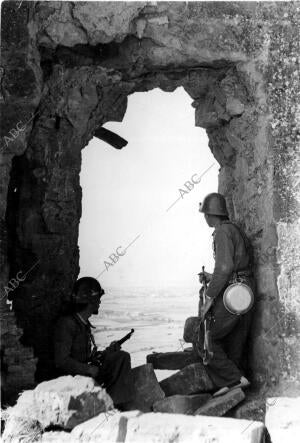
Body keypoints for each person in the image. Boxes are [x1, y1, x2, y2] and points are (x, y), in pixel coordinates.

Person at [197, 193, 255, 397]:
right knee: (235, 339)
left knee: (205, 336)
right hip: (244, 290)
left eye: (205, 213)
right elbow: (233, 269)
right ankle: (237, 382)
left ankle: (233, 379)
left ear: (210, 214)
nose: (204, 217)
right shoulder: (232, 229)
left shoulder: (222, 232)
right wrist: (212, 276)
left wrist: (210, 298)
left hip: (236, 292)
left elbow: (225, 267)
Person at [54, 277, 134, 408]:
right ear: (90, 301)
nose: (100, 303)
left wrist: (108, 351)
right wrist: (89, 369)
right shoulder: (67, 324)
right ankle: (111, 407)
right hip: (74, 378)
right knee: (122, 359)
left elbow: (87, 357)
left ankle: (113, 403)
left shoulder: (82, 323)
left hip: (84, 373)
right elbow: (61, 361)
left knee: (121, 357)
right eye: (98, 299)